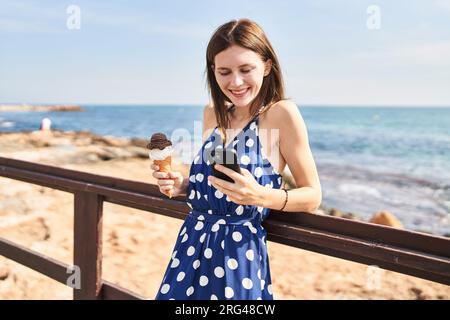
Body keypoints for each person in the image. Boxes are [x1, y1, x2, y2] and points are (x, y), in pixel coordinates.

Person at [152, 18, 321, 300]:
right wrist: (182, 185)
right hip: (190, 245)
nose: (236, 82)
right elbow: (212, 185)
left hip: (238, 257)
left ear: (267, 66)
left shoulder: (282, 114)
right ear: (213, 71)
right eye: (225, 72)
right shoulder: (212, 113)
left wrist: (262, 196)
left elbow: (313, 195)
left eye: (246, 69)